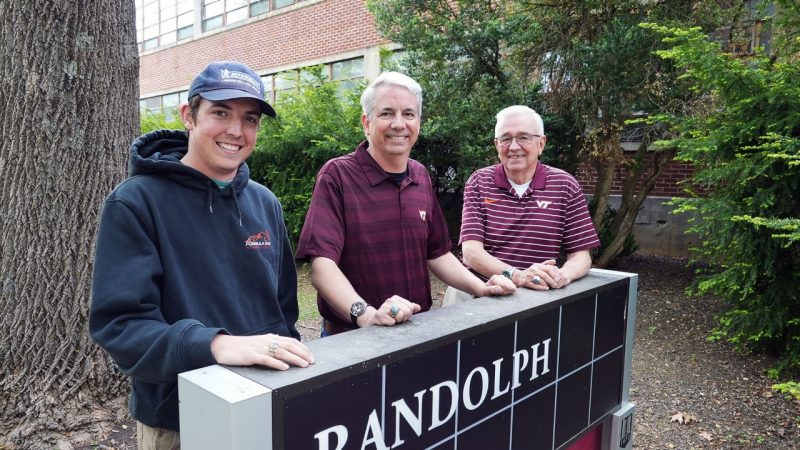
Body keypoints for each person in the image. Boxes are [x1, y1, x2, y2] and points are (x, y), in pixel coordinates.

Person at [89, 61, 315, 450]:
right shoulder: (136, 202)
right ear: (188, 116)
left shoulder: (265, 203)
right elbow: (121, 326)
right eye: (220, 112)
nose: (236, 130)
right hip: (179, 422)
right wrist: (214, 345)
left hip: (266, 403)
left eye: (250, 118)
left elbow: (283, 313)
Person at [295, 72, 516, 336]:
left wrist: (481, 289)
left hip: (414, 334)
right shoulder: (337, 175)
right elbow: (322, 267)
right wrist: (365, 315)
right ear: (367, 122)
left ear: (418, 123)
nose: (399, 124)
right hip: (352, 339)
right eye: (387, 113)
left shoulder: (420, 175)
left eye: (408, 114)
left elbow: (438, 254)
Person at [459, 105, 600, 293]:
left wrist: (562, 275)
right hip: (482, 291)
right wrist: (518, 276)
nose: (514, 146)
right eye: (505, 138)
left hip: (538, 295)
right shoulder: (479, 182)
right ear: (496, 145)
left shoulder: (565, 185)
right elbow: (471, 253)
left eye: (523, 137)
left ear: (541, 144)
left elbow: (581, 255)